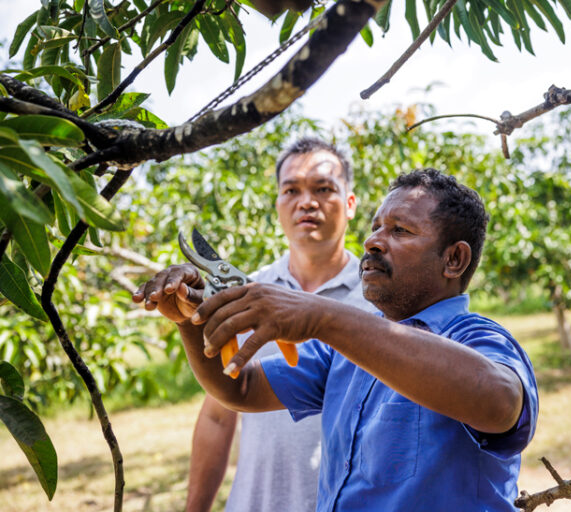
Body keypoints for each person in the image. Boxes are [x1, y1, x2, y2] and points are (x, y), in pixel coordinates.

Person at [140, 168, 539, 511]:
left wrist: (321, 316)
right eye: (375, 228)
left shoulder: (477, 338)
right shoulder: (344, 352)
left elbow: (500, 402)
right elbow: (240, 389)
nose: (373, 241)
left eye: (400, 230)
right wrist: (191, 323)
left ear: (454, 259)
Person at [133, 138, 374, 511]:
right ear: (277, 205)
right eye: (291, 189)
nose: (306, 201)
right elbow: (217, 415)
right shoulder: (245, 295)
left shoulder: (380, 299)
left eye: (324, 188)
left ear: (351, 203)